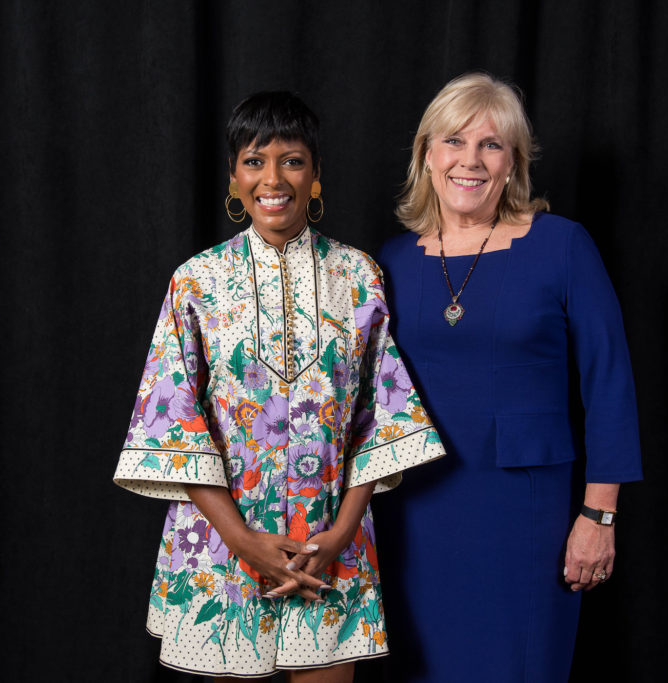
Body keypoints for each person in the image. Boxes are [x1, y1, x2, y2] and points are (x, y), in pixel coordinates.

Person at [113, 91, 444, 682]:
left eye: (292, 160)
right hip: (219, 548)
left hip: (329, 550)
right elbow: (171, 428)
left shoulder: (359, 275)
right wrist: (243, 541)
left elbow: (382, 419)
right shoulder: (196, 282)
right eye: (254, 160)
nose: (274, 178)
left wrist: (340, 533)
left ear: (315, 175)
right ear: (234, 177)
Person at [374, 73, 643, 681]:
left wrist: (599, 516)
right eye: (454, 141)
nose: (470, 160)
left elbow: (609, 382)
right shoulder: (389, 260)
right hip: (412, 513)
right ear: (426, 154)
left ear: (513, 162)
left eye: (491, 145)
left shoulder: (563, 246)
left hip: (526, 514)